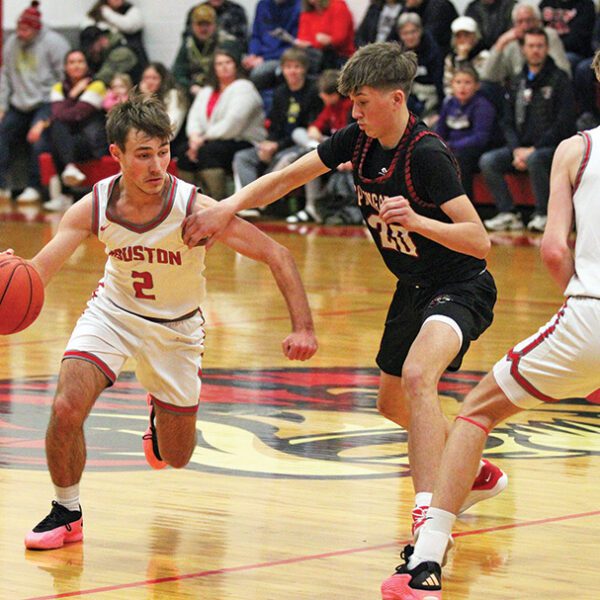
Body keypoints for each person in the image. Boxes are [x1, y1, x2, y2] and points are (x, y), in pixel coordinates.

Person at [182, 42, 507, 541]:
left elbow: (479, 240)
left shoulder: (427, 154)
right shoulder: (357, 140)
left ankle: (428, 513)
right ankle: (475, 471)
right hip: (413, 287)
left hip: (461, 286)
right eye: (351, 103)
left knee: (420, 377)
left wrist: (418, 220)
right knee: (391, 404)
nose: (355, 112)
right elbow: (287, 177)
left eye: (363, 102)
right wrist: (228, 207)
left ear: (397, 99)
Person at [14, 94, 317, 550]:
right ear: (115, 155)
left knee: (176, 457)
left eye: (163, 152)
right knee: (65, 407)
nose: (157, 165)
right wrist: (16, 275)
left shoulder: (194, 209)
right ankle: (66, 511)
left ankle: (160, 415)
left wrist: (303, 327)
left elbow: (278, 253)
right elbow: (37, 272)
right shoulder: (92, 207)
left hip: (176, 328)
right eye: (143, 155)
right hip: (114, 312)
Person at [380, 45, 600, 600]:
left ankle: (426, 560)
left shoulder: (579, 149)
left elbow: (552, 249)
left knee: (476, 412)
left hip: (591, 313)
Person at [481, 28, 576, 233]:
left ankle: (543, 214)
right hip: (521, 148)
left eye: (540, 46)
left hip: (552, 147)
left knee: (536, 159)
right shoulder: (516, 80)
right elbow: (506, 121)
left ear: (547, 48)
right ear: (523, 49)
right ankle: (508, 213)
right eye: (531, 46)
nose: (535, 51)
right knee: (489, 161)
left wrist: (533, 149)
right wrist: (516, 149)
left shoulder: (560, 79)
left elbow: (564, 123)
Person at [231, 47, 321, 216]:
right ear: (282, 69)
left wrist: (277, 146)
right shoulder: (280, 92)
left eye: (296, 67)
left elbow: (305, 130)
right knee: (242, 157)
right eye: (288, 67)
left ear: (304, 69)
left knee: (283, 158)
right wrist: (268, 143)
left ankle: (261, 200)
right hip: (279, 143)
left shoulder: (313, 91)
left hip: (301, 144)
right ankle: (249, 203)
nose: (292, 71)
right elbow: (275, 125)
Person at [0, 1, 69, 203]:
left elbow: (63, 79)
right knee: (2, 133)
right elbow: (5, 77)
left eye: (26, 29)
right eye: (19, 28)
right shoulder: (11, 44)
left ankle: (34, 187)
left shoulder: (54, 43)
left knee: (38, 139)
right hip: (19, 102)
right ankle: (2, 185)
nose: (21, 33)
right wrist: (2, 106)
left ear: (36, 29)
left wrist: (50, 114)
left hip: (46, 101)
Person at [178, 45, 265, 199]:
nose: (224, 67)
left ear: (236, 65)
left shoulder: (245, 87)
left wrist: (202, 139)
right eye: (219, 63)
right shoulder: (207, 91)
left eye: (228, 62)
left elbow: (233, 123)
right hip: (209, 140)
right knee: (183, 151)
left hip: (242, 140)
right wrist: (194, 138)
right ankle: (189, 202)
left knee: (209, 152)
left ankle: (218, 201)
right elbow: (194, 117)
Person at [45, 50, 108, 212]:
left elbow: (77, 114)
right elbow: (58, 114)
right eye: (72, 62)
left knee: (57, 128)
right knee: (56, 130)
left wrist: (69, 99)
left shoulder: (97, 85)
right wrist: (74, 93)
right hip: (69, 140)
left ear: (87, 66)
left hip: (91, 142)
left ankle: (64, 193)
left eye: (80, 61)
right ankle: (69, 173)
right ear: (65, 67)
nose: (76, 65)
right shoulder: (58, 87)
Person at [436, 65, 496, 199]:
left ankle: (465, 204)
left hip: (473, 152)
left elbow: (480, 138)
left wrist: (451, 146)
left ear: (476, 86)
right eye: (458, 82)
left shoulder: (483, 106)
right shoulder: (449, 104)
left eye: (467, 82)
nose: (462, 87)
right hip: (451, 148)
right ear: (452, 85)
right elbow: (439, 132)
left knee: (458, 159)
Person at [480, 2, 571, 85]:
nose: (525, 26)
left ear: (538, 21)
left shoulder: (549, 36)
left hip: (546, 87)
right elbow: (487, 76)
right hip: (518, 91)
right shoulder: (510, 41)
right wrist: (500, 42)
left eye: (529, 20)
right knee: (485, 86)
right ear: (514, 24)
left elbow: (564, 71)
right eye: (520, 22)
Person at [172, 4, 240, 99]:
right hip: (194, 90)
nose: (204, 29)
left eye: (207, 24)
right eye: (200, 24)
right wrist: (190, 86)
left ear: (215, 25)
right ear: (193, 26)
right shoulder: (188, 44)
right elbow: (178, 72)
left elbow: (235, 73)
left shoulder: (227, 43)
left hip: (220, 89)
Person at [82, 0, 148, 69]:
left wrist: (107, 13)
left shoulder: (131, 10)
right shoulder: (96, 14)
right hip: (104, 59)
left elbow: (129, 26)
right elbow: (86, 29)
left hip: (132, 57)